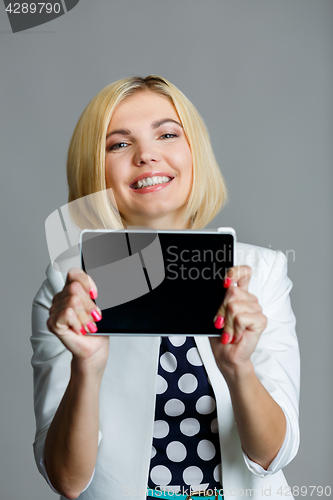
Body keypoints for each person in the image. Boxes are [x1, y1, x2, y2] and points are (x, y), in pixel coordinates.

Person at [31, 76, 300, 500]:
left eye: (168, 134)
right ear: (95, 169)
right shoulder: (71, 285)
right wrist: (86, 368)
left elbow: (274, 457)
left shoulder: (259, 271)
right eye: (119, 144)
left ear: (194, 151)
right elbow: (67, 481)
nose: (147, 155)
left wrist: (239, 369)